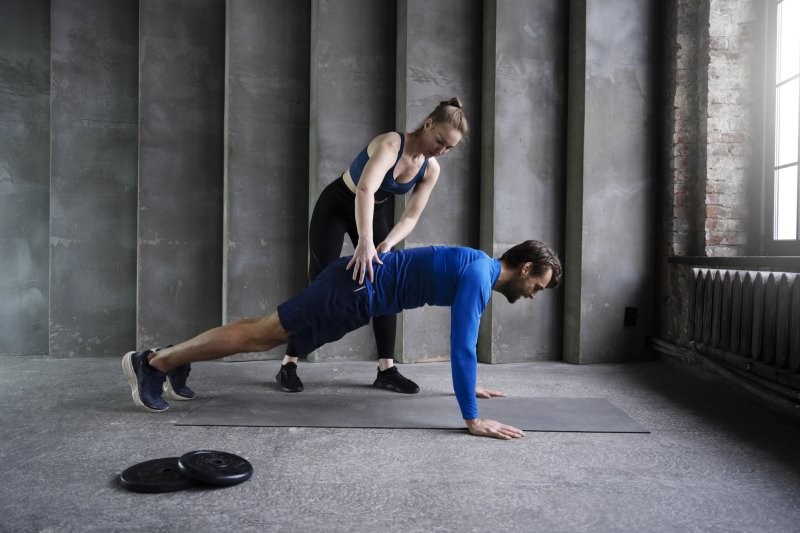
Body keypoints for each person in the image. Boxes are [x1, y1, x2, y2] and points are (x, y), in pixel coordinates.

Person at [122, 240, 562, 440]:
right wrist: (472, 417)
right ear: (525, 269)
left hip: (355, 292)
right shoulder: (479, 275)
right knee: (260, 336)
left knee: (260, 332)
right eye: (537, 286)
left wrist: (469, 386)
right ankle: (155, 362)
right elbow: (464, 346)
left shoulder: (479, 266)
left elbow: (464, 346)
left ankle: (170, 359)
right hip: (352, 289)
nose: (531, 295)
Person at [278, 98, 469, 396]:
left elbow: (411, 215)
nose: (441, 150)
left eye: (449, 148)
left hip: (372, 211)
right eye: (440, 141)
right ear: (429, 123)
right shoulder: (392, 144)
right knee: (319, 285)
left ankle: (386, 370)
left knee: (385, 282)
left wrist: (387, 243)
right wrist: (365, 242)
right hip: (338, 205)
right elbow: (365, 189)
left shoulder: (431, 169)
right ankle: (288, 363)